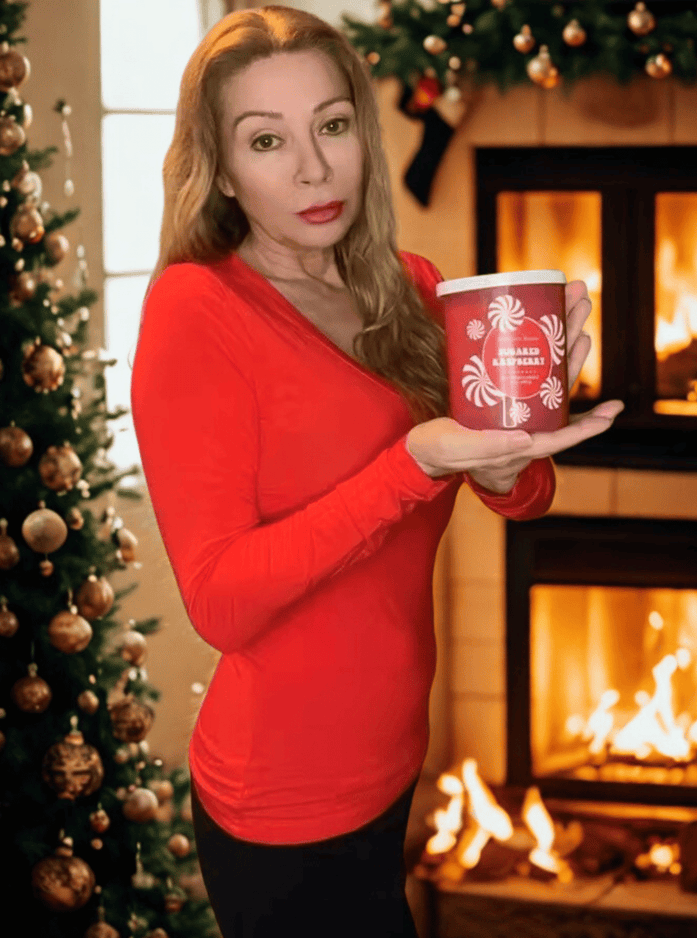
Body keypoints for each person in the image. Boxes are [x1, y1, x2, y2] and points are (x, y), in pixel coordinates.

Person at [130, 7, 624, 937]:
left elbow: (519, 494)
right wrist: (409, 465)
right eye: (267, 140)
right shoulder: (195, 312)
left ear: (362, 126)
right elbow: (220, 603)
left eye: (333, 124)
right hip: (278, 802)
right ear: (223, 170)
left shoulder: (414, 288)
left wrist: (523, 430)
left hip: (392, 770)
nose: (314, 169)